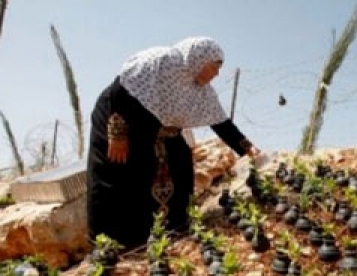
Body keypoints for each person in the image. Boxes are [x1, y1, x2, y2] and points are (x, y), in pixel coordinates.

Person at [86, 36, 261, 249]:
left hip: (159, 130)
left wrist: (246, 147)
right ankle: (114, 244)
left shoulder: (200, 90)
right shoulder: (157, 62)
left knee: (180, 163)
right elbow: (119, 92)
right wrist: (117, 132)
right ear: (198, 59)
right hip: (119, 120)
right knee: (120, 174)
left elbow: (221, 123)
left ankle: (172, 227)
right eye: (214, 68)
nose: (216, 74)